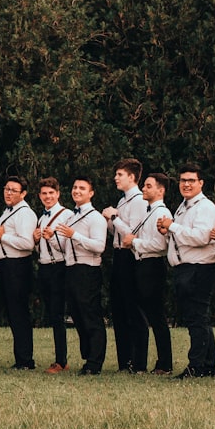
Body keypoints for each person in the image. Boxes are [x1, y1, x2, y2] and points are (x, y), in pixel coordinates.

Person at [157, 164, 215, 379]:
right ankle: (208, 365)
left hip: (200, 267)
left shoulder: (205, 207)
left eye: (191, 180)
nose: (186, 184)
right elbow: (182, 237)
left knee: (197, 318)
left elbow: (201, 237)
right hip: (185, 268)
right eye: (183, 180)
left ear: (201, 183)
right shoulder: (183, 207)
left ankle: (197, 366)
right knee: (197, 317)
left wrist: (172, 226)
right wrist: (167, 230)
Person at [121, 172, 173, 375]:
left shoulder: (162, 213)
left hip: (153, 265)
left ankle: (164, 363)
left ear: (160, 191)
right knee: (147, 313)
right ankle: (142, 360)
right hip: (142, 264)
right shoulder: (148, 211)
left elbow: (159, 246)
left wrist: (134, 242)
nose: (144, 188)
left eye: (149, 186)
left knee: (156, 316)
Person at [57, 177, 107, 375]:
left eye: (82, 188)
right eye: (75, 187)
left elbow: (99, 246)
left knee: (90, 314)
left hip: (88, 269)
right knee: (76, 314)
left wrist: (74, 235)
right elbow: (65, 246)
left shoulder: (95, 218)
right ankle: (87, 356)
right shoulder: (70, 217)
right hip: (71, 268)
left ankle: (95, 362)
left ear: (91, 193)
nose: (77, 191)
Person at [101, 158, 147, 372]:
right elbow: (117, 233)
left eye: (120, 175)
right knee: (118, 308)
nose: (115, 178)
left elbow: (132, 233)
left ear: (131, 177)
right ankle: (124, 359)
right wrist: (110, 222)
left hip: (131, 256)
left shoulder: (138, 201)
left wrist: (114, 218)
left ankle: (138, 361)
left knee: (133, 308)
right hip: (118, 255)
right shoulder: (122, 201)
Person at [0, 176, 37, 369]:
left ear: (23, 194)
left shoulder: (24, 213)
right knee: (13, 312)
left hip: (17, 266)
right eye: (6, 189)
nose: (8, 193)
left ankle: (25, 360)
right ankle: (21, 357)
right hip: (7, 265)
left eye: (13, 190)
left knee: (19, 312)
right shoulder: (8, 211)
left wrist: (2, 236)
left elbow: (27, 244)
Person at [32, 177, 71, 374]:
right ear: (39, 196)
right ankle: (60, 358)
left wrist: (52, 238)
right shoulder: (41, 217)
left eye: (51, 193)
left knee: (58, 314)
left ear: (58, 194)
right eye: (44, 194)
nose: (47, 197)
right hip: (45, 267)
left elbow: (68, 247)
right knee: (51, 314)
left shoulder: (66, 215)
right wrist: (36, 240)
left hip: (59, 267)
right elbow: (40, 248)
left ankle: (61, 360)